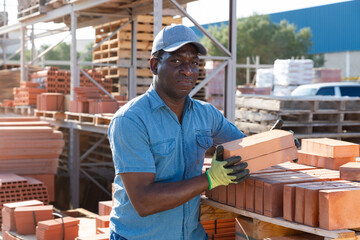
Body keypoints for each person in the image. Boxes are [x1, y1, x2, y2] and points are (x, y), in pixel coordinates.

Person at [108, 24, 250, 240]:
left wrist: (278, 142)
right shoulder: (130, 120)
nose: (188, 70)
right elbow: (144, 201)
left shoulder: (206, 114)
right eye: (176, 61)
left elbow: (245, 146)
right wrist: (210, 179)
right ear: (155, 65)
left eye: (194, 63)